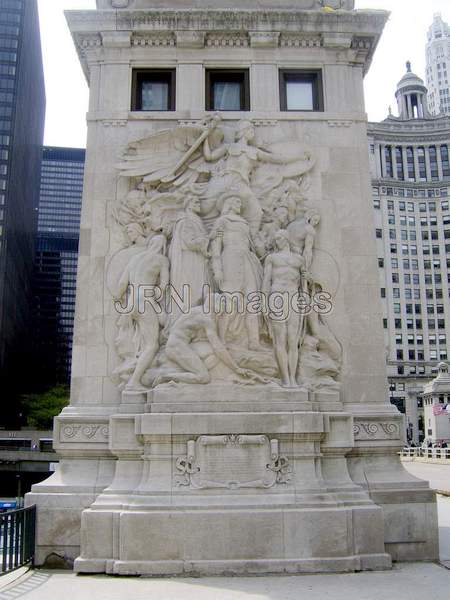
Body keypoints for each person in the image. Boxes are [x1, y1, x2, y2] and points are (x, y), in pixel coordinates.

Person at [154, 296, 253, 385]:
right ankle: (166, 376)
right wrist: (236, 368)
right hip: (176, 346)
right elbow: (217, 347)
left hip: (178, 344)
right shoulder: (207, 319)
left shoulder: (198, 310)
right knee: (203, 377)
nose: (223, 312)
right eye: (223, 307)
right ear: (217, 306)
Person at [114, 234, 169, 391]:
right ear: (163, 247)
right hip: (145, 301)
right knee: (152, 345)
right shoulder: (161, 260)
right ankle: (133, 382)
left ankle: (134, 373)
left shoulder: (135, 259)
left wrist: (120, 302)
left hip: (131, 303)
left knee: (144, 342)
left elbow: (122, 284)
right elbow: (163, 286)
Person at [210, 193, 263, 350]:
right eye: (237, 201)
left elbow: (253, 243)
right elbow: (216, 246)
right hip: (230, 260)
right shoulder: (222, 221)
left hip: (247, 260)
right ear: (229, 203)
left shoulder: (245, 224)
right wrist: (217, 269)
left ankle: (254, 341)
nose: (240, 204)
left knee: (252, 300)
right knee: (230, 302)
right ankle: (221, 338)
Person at [262, 230, 305, 387]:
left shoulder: (299, 260)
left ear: (286, 238)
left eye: (279, 238)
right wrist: (264, 302)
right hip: (276, 296)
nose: (277, 241)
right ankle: (285, 378)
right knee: (280, 339)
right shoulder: (271, 258)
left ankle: (293, 378)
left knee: (292, 340)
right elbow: (266, 280)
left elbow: (303, 284)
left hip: (293, 297)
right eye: (275, 239)